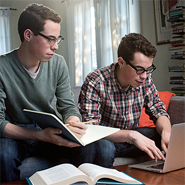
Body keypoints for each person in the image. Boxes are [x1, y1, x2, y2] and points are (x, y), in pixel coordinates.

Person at [0, 3, 99, 182]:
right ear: (28, 35)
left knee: (90, 146)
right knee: (3, 154)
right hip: (17, 134)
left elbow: (68, 106)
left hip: (51, 130)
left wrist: (72, 122)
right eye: (50, 39)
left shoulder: (58, 63)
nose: (56, 46)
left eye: (57, 39)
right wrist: (39, 135)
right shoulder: (2, 67)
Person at [79, 33, 172, 167]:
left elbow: (158, 110)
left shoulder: (145, 79)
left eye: (148, 70)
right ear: (121, 62)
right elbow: (91, 128)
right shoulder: (96, 81)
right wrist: (132, 135)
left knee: (169, 134)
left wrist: (167, 133)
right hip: (106, 140)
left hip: (131, 141)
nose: (144, 76)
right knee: (104, 148)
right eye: (139, 70)